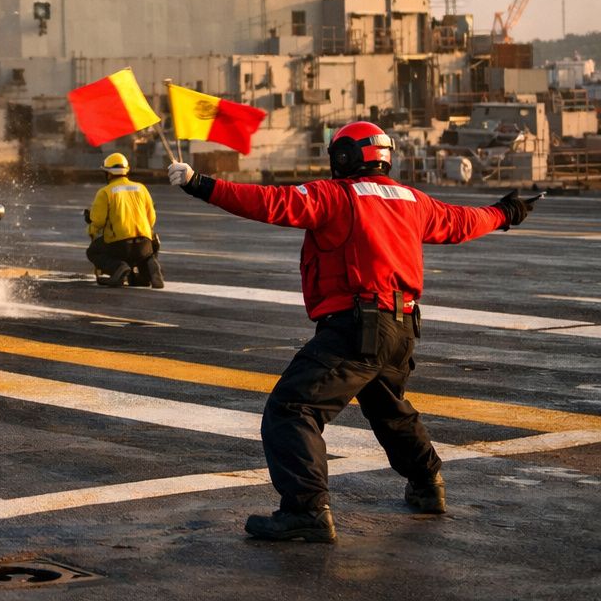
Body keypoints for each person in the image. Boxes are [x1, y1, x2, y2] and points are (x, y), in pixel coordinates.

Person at [167, 121, 534, 543]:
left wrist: (200, 184)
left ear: (344, 157)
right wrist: (506, 212)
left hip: (356, 327)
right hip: (402, 328)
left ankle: (306, 510)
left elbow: (269, 202)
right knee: (388, 407)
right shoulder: (412, 199)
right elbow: (463, 221)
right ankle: (427, 484)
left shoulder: (335, 195)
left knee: (292, 409)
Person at [84, 152, 164, 288]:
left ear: (108, 174)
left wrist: (90, 228)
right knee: (140, 267)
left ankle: (118, 267)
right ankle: (149, 264)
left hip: (120, 247)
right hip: (144, 246)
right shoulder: (142, 188)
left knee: (93, 251)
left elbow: (98, 222)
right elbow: (151, 219)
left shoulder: (105, 192)